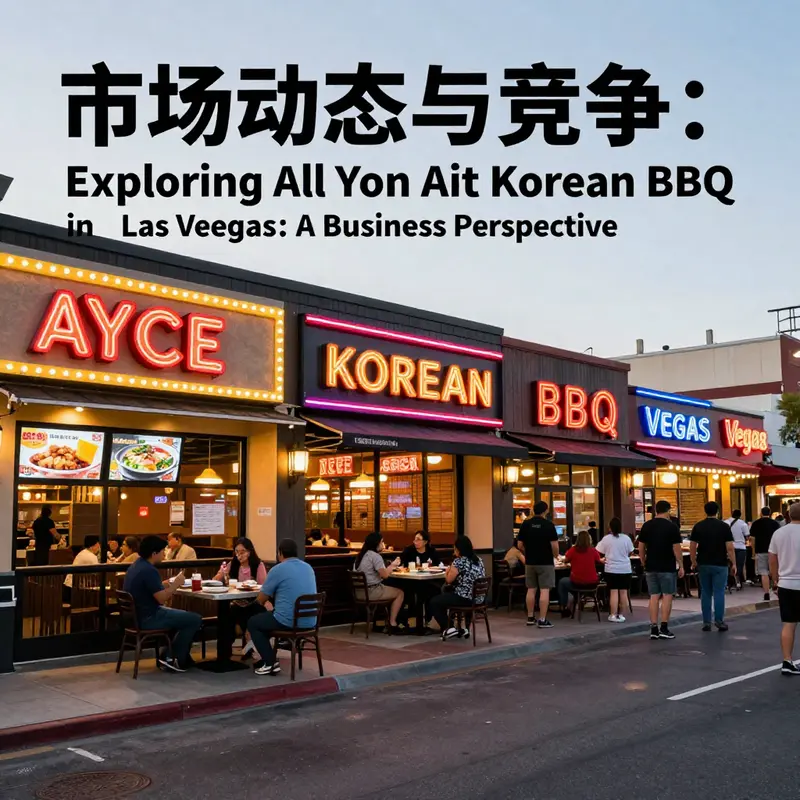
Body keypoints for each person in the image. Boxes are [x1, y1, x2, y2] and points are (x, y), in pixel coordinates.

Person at [122, 535, 201, 673]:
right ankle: (172, 657)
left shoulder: (136, 566)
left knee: (183, 617)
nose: (164, 553)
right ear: (154, 553)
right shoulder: (149, 570)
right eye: (162, 551)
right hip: (149, 618)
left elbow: (150, 589)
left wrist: (164, 584)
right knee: (194, 619)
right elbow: (162, 599)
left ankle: (172, 654)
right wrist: (176, 584)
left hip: (135, 618)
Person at [248, 539, 318, 676]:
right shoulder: (308, 567)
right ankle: (267, 657)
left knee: (253, 622)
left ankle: (269, 662)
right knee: (265, 621)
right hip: (310, 621)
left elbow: (261, 599)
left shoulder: (278, 569)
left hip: (288, 620)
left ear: (280, 553)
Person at [214, 536, 269, 658]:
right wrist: (222, 573)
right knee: (228, 616)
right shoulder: (232, 565)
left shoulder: (258, 566)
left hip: (255, 602)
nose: (239, 555)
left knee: (246, 613)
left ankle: (252, 643)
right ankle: (225, 653)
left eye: (243, 551)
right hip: (236, 602)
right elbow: (216, 580)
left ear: (250, 552)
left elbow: (264, 588)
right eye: (237, 552)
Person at [638, 499, 684, 640]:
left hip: (651, 566)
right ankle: (664, 627)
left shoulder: (647, 525)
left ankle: (653, 627)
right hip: (667, 566)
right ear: (668, 511)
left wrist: (643, 561)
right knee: (667, 595)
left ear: (655, 510)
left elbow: (641, 547)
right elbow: (677, 549)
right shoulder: (672, 527)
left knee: (654, 596)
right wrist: (681, 565)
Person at [690, 501, 736, 632]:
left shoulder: (698, 526)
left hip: (703, 562)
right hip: (720, 563)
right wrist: (734, 563)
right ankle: (719, 621)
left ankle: (706, 622)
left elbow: (693, 546)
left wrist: (693, 561)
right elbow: (730, 547)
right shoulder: (724, 527)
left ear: (705, 511)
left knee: (705, 592)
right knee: (719, 592)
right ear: (717, 511)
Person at [430, 535, 486, 640]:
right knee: (446, 597)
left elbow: (449, 580)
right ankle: (464, 629)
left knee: (434, 602)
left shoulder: (459, 562)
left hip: (464, 598)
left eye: (455, 548)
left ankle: (449, 628)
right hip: (478, 598)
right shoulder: (479, 560)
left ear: (459, 549)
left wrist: (447, 572)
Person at [516, 500, 559, 628]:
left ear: (534, 510)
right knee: (545, 590)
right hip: (545, 562)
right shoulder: (549, 525)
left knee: (531, 589)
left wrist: (528, 551)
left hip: (530, 562)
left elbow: (519, 545)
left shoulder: (526, 524)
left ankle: (530, 617)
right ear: (546, 511)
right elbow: (554, 546)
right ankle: (542, 619)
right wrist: (555, 555)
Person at [768, 503, 800, 675]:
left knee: (789, 624)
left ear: (788, 514)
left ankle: (787, 660)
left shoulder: (779, 533)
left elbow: (772, 558)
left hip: (786, 584)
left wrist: (775, 580)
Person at [353, 532, 405, 633]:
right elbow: (384, 575)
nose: (383, 544)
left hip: (359, 592)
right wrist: (393, 565)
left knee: (389, 590)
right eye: (382, 542)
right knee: (400, 593)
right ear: (376, 543)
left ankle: (379, 623)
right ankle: (392, 623)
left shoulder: (360, 556)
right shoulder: (375, 556)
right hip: (371, 592)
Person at [596, 517, 634, 622]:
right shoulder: (626, 538)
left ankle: (613, 614)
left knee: (613, 592)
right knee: (623, 592)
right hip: (625, 568)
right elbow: (630, 552)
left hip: (611, 568)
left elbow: (597, 551)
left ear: (610, 527)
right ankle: (621, 615)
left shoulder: (606, 539)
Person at [558, 530, 603, 615]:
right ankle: (575, 600)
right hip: (592, 583)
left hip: (577, 582)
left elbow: (565, 560)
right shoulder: (593, 550)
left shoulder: (573, 550)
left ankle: (564, 606)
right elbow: (599, 560)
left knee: (562, 582)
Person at [750, 506, 781, 600]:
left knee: (764, 572)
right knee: (775, 570)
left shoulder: (756, 523)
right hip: (774, 551)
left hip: (761, 550)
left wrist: (753, 551)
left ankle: (766, 593)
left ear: (761, 513)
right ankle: (776, 586)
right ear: (770, 513)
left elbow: (752, 539)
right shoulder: (775, 524)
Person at [63, 535, 102, 601]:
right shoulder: (91, 556)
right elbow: (97, 574)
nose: (99, 547)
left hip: (69, 586)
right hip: (74, 589)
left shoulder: (83, 552)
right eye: (98, 545)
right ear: (94, 545)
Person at [725, 509, 749, 589]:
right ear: (740, 515)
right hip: (741, 547)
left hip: (728, 546)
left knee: (730, 564)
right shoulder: (743, 524)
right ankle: (738, 581)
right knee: (739, 565)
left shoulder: (726, 522)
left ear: (732, 514)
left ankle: (730, 583)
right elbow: (747, 536)